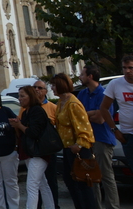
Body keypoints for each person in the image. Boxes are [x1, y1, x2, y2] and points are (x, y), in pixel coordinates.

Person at [51, 73, 97, 209]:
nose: (52, 88)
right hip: (67, 147)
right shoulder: (61, 102)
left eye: (54, 85)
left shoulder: (73, 103)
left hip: (78, 149)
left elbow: (84, 127)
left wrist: (80, 144)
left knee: (82, 183)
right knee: (70, 181)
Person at [78, 65, 120, 209]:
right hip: (87, 140)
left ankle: (112, 206)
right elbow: (78, 116)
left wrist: (85, 114)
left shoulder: (104, 94)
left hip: (102, 139)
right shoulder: (82, 94)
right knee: (92, 177)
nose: (80, 77)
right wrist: (91, 113)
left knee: (106, 176)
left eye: (82, 74)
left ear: (90, 76)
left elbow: (101, 119)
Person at [10, 86, 55, 209]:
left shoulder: (37, 111)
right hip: (30, 151)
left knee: (32, 184)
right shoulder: (26, 112)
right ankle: (51, 206)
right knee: (42, 183)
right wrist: (17, 126)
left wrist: (19, 125)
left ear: (30, 97)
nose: (19, 99)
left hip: (38, 151)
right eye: (19, 96)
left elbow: (33, 132)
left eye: (22, 96)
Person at [101, 55, 133, 172]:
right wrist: (114, 130)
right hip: (127, 135)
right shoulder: (115, 84)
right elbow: (104, 108)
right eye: (124, 68)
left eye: (130, 67)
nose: (127, 71)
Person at [33, 79, 60, 209]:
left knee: (51, 180)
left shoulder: (53, 107)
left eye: (39, 88)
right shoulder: (27, 108)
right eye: (35, 87)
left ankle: (54, 205)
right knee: (35, 182)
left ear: (45, 91)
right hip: (34, 149)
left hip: (49, 148)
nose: (36, 90)